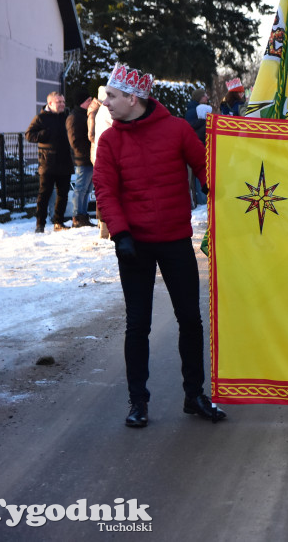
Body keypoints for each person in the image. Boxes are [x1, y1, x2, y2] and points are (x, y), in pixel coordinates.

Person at [93, 62, 227, 428]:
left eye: (112, 96)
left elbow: (205, 166)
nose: (106, 102)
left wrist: (215, 187)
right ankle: (138, 401)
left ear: (133, 99)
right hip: (133, 244)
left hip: (174, 240)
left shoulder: (177, 130)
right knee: (138, 325)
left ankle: (194, 395)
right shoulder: (109, 140)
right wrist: (120, 234)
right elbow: (104, 189)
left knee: (190, 320)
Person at [26, 91, 74, 233]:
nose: (62, 105)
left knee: (63, 194)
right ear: (50, 103)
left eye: (63, 102)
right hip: (48, 162)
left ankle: (58, 222)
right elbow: (29, 135)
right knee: (44, 194)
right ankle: (40, 224)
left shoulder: (66, 117)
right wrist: (44, 134)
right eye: (59, 102)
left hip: (65, 161)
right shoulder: (41, 118)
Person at [65, 89, 96, 228]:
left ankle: (82, 215)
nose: (90, 102)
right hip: (83, 159)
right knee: (81, 188)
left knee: (87, 189)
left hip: (88, 158)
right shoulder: (75, 117)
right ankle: (78, 216)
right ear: (82, 102)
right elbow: (75, 141)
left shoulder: (84, 115)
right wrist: (86, 153)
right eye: (88, 100)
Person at [88, 87, 114, 238]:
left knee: (104, 192)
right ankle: (106, 228)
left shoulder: (99, 111)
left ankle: (104, 227)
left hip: (99, 154)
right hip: (106, 155)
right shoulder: (107, 110)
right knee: (108, 193)